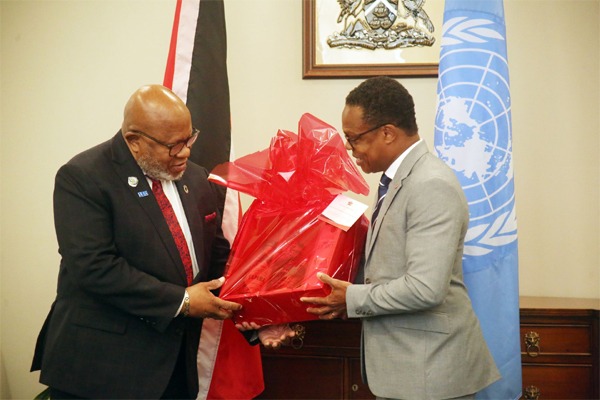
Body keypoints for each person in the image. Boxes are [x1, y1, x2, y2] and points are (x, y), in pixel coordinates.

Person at [30, 85, 289, 400]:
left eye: (189, 138)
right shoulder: (84, 177)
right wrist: (184, 301)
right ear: (134, 142)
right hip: (101, 370)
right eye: (173, 145)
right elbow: (94, 267)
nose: (185, 152)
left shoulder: (195, 178)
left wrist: (261, 317)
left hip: (173, 367)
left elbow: (218, 260)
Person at [301, 76, 500, 400]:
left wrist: (350, 299)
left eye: (354, 139)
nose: (350, 151)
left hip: (430, 374)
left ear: (388, 133)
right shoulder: (397, 181)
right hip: (409, 370)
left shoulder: (430, 184)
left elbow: (425, 288)